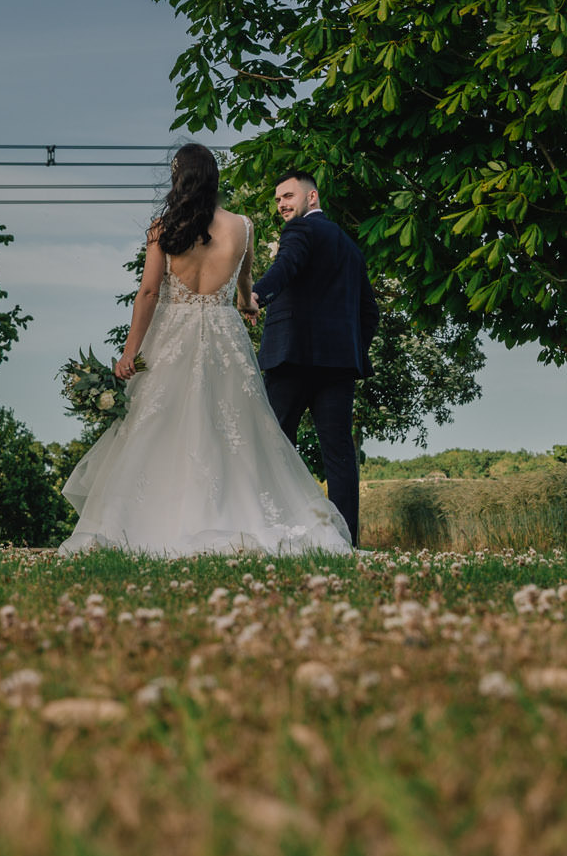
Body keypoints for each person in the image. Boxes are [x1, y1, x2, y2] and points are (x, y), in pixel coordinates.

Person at [56, 145, 353, 556]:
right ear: (214, 178)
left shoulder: (163, 228)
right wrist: (249, 306)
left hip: (171, 334)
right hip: (223, 335)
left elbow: (148, 292)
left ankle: (150, 523)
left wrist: (129, 353)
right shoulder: (243, 227)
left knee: (159, 426)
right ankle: (241, 517)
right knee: (235, 430)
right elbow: (245, 291)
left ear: (179, 179)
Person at [251, 169, 380, 546]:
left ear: (312, 198)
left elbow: (285, 266)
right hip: (338, 366)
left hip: (291, 358)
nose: (281, 205)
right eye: (277, 200)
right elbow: (369, 313)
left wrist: (257, 294)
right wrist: (349, 347)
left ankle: (274, 533)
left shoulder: (299, 232)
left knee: (274, 447)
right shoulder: (351, 248)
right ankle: (345, 540)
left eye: (287, 196)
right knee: (339, 454)